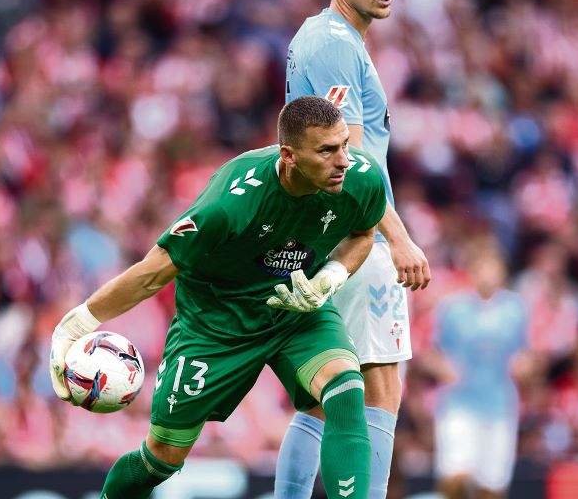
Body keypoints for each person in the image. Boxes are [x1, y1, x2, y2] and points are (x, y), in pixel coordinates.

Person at [49, 96, 388, 499]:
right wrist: (78, 322)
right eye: (327, 150)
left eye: (345, 144)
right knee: (162, 458)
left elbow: (363, 234)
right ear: (288, 156)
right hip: (216, 324)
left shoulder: (361, 178)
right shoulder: (230, 204)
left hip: (296, 308)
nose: (343, 160)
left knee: (346, 387)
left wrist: (332, 276)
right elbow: (151, 273)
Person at [276, 0, 431, 498]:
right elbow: (354, 159)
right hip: (354, 236)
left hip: (320, 234)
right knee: (380, 386)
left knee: (323, 396)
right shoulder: (336, 44)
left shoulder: (322, 39)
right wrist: (400, 239)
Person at [432, 240, 528, 499]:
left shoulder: (516, 309)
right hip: (459, 402)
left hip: (499, 404)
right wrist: (443, 367)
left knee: (492, 486)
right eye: (482, 267)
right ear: (472, 272)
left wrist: (526, 365)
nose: (487, 273)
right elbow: (430, 352)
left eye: (493, 267)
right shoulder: (452, 308)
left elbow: (527, 353)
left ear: (502, 272)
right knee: (455, 477)